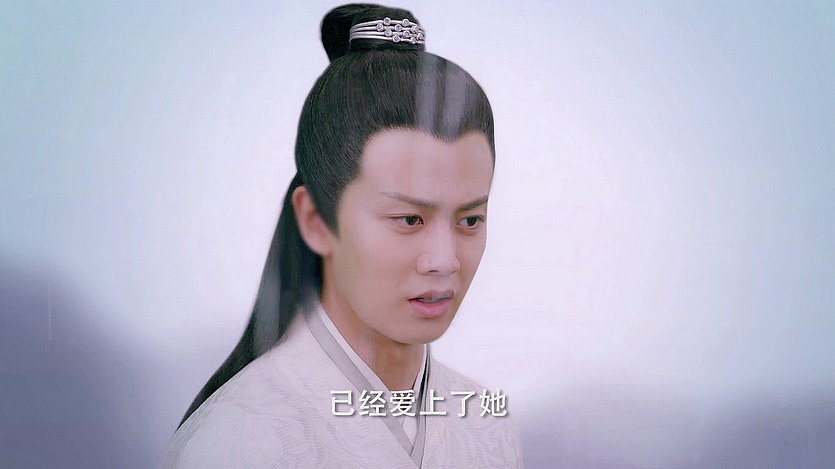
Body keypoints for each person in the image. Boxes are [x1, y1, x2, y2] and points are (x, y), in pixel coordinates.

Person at [162, 4, 523, 468]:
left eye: (469, 221)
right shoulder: (238, 439)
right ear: (316, 220)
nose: (444, 260)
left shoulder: (486, 423)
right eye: (409, 219)